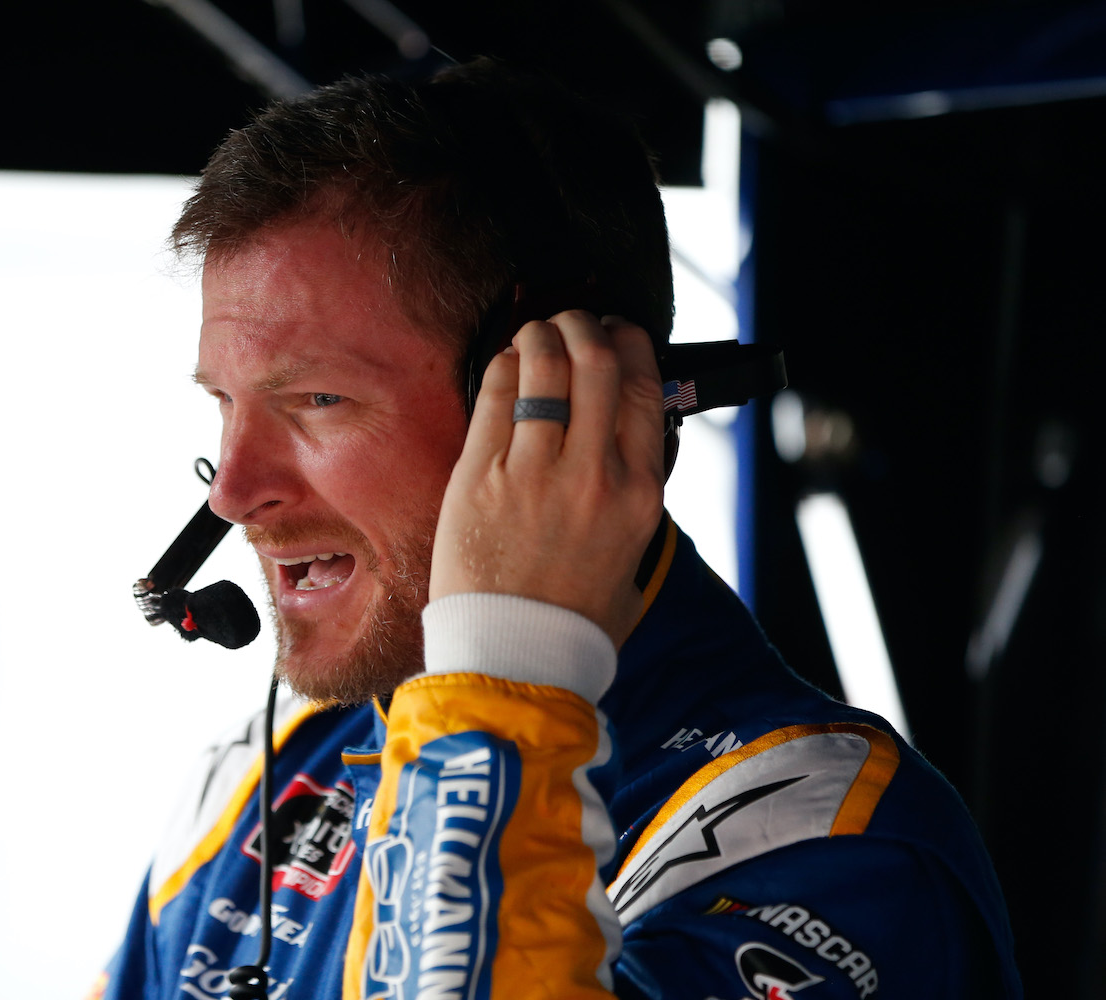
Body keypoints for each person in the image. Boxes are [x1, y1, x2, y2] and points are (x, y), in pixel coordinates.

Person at [93, 59, 1022, 1000]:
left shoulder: (837, 850)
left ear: (558, 401)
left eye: (318, 400)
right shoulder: (261, 790)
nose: (235, 491)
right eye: (224, 403)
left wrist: (504, 678)